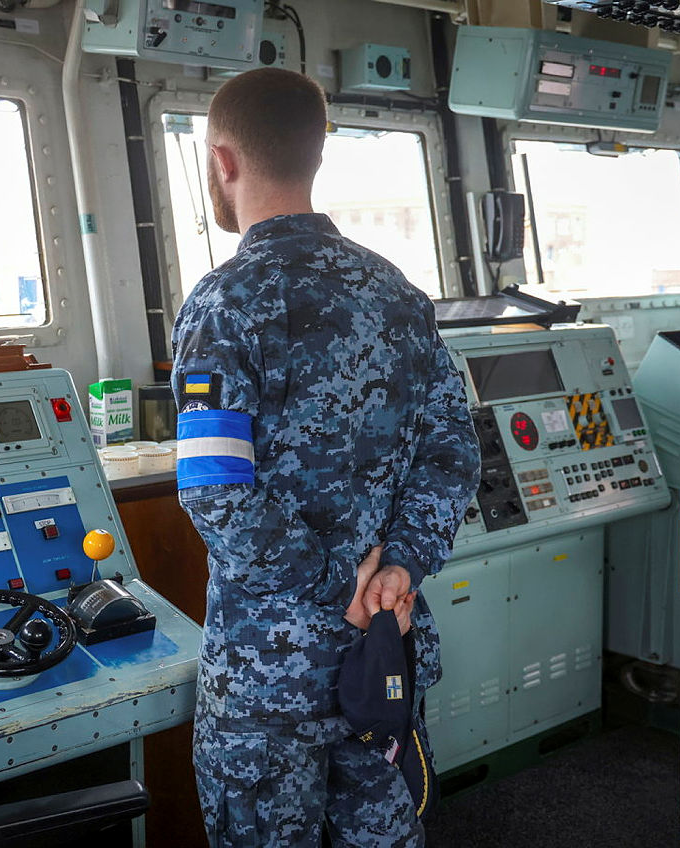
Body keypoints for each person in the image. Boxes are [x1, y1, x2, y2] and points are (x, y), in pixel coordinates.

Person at [171, 67, 480, 847]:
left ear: (224, 161)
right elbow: (451, 451)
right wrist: (396, 570)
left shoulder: (224, 303)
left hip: (270, 682)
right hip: (383, 646)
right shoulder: (397, 294)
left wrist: (331, 582)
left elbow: (216, 490)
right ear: (317, 154)